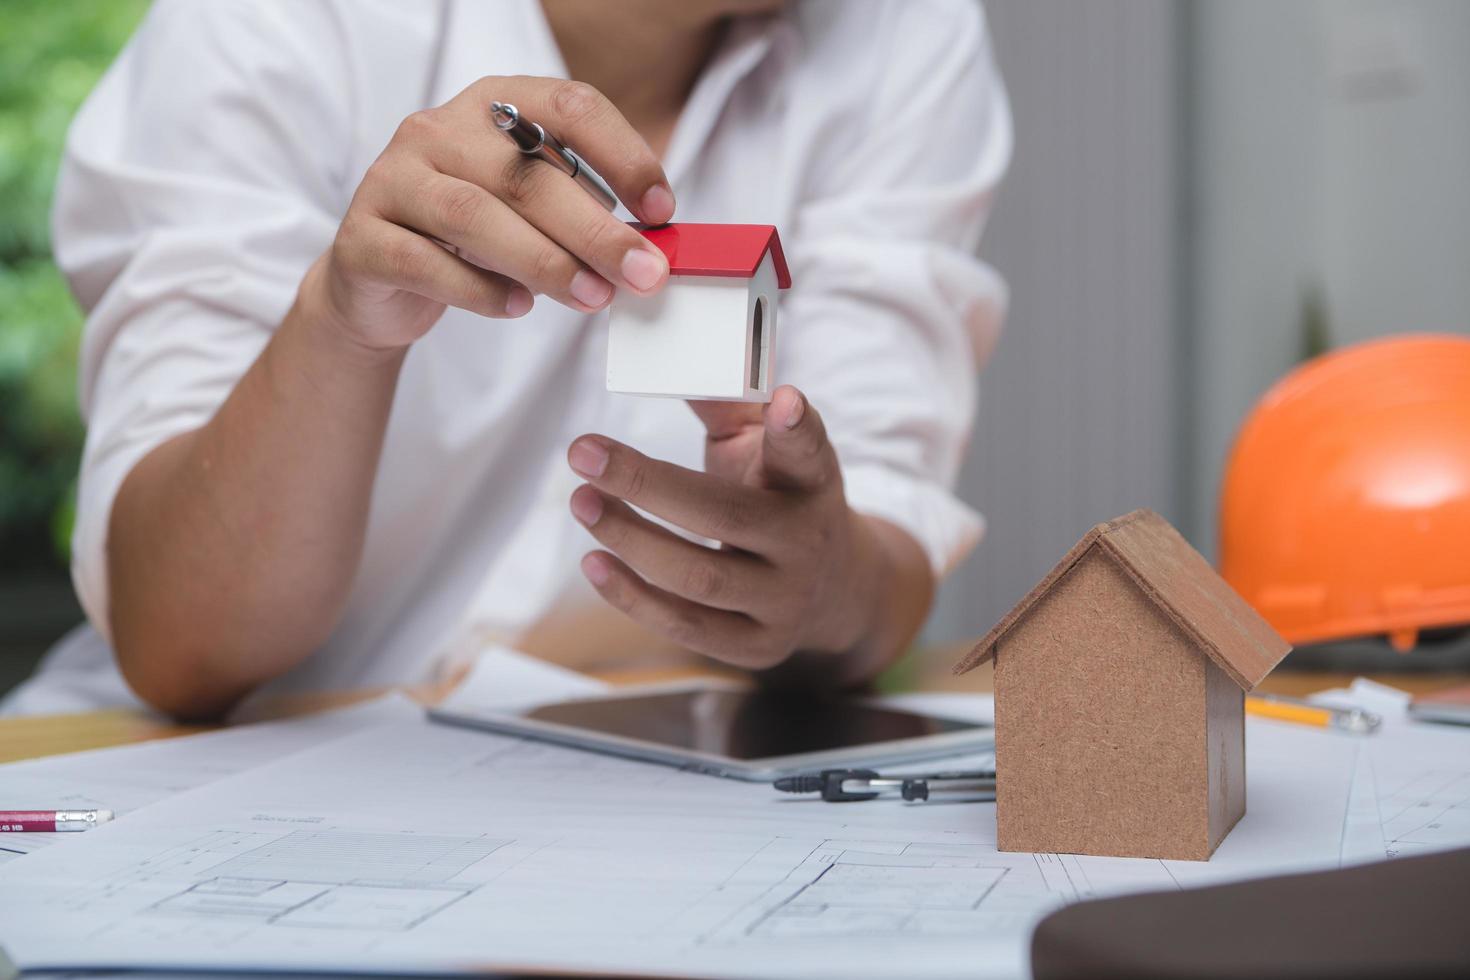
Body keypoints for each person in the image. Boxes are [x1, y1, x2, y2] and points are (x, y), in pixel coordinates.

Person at [2, 0, 1010, 719]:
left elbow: (885, 549)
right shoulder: (271, 25)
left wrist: (824, 578)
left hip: (631, 798)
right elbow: (179, 643)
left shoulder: (907, 31)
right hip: (206, 780)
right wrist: (342, 323)